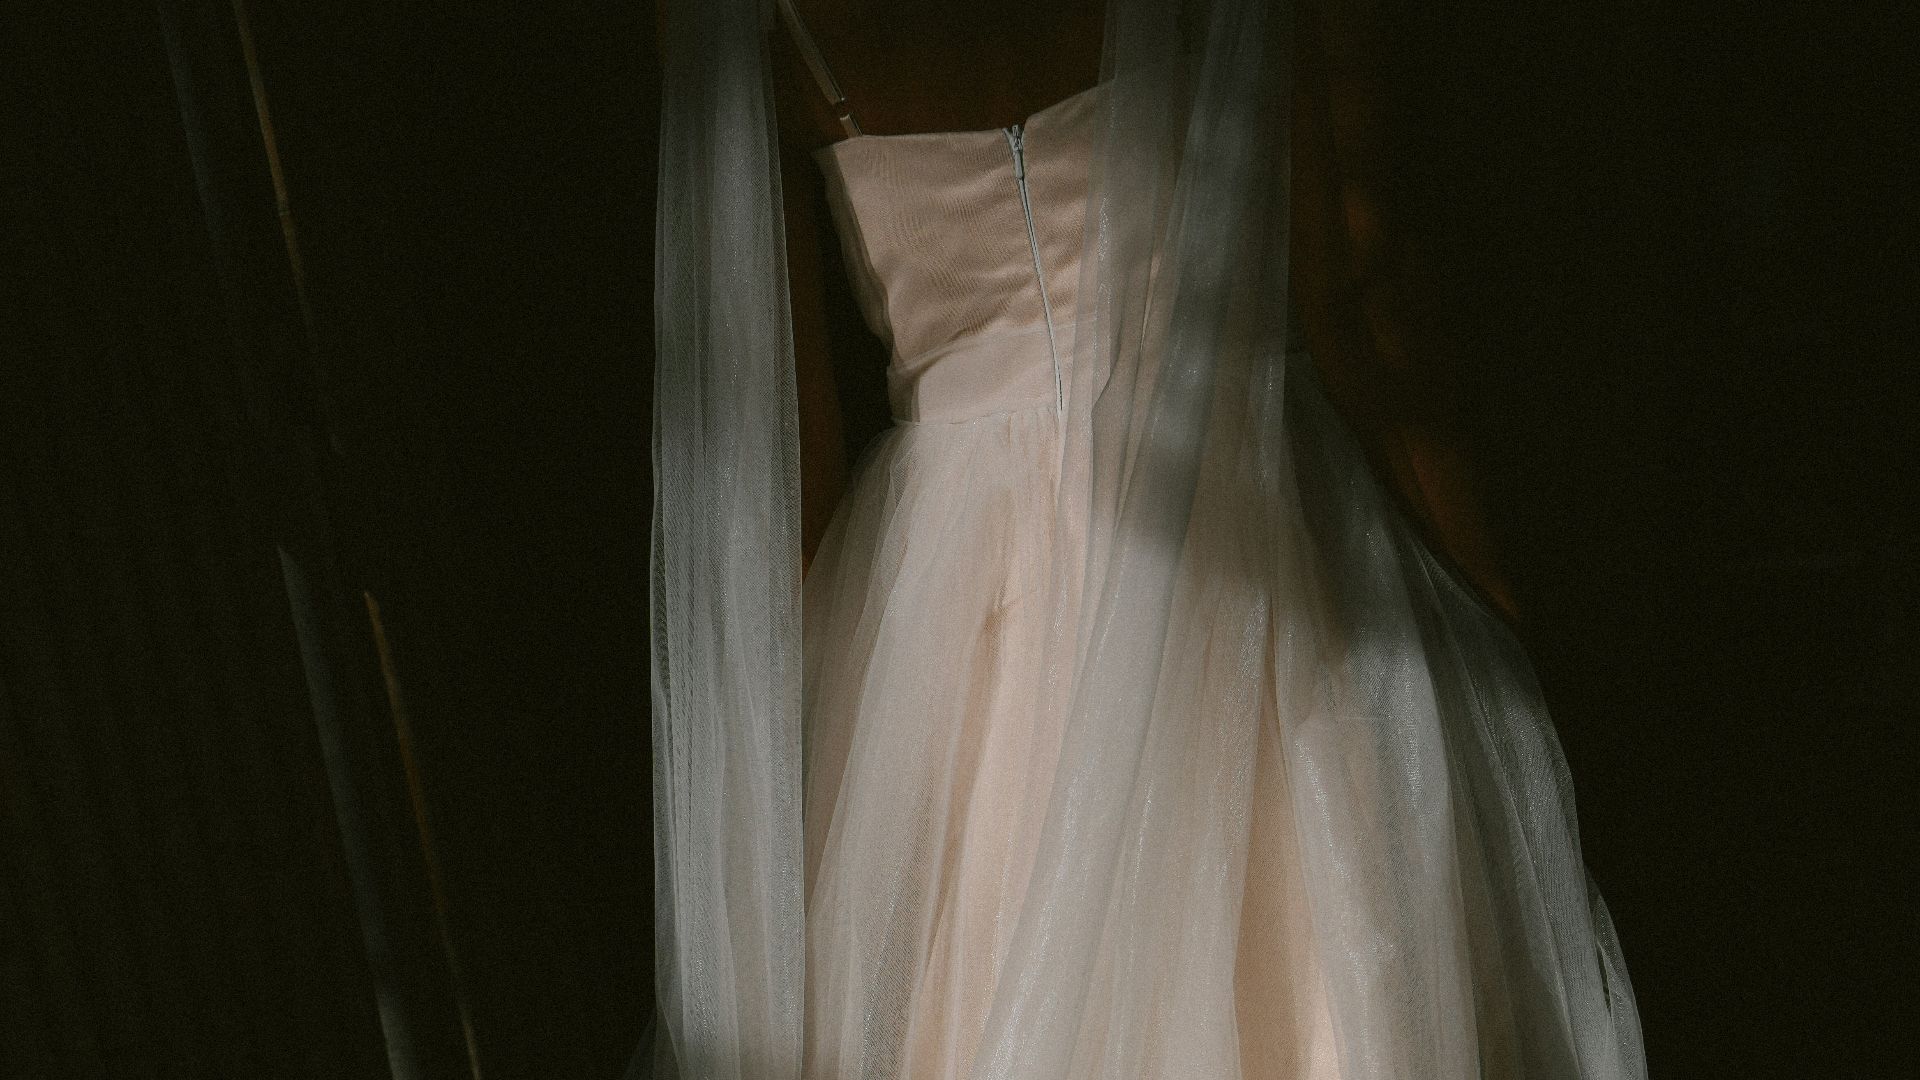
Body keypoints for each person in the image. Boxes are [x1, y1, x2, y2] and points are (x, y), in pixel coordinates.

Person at [649, 1, 1647, 1077]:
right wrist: (1486, 608)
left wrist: (844, 741)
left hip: (957, 599)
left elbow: (777, 436)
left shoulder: (750, 23)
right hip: (1242, 530)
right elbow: (1353, 290)